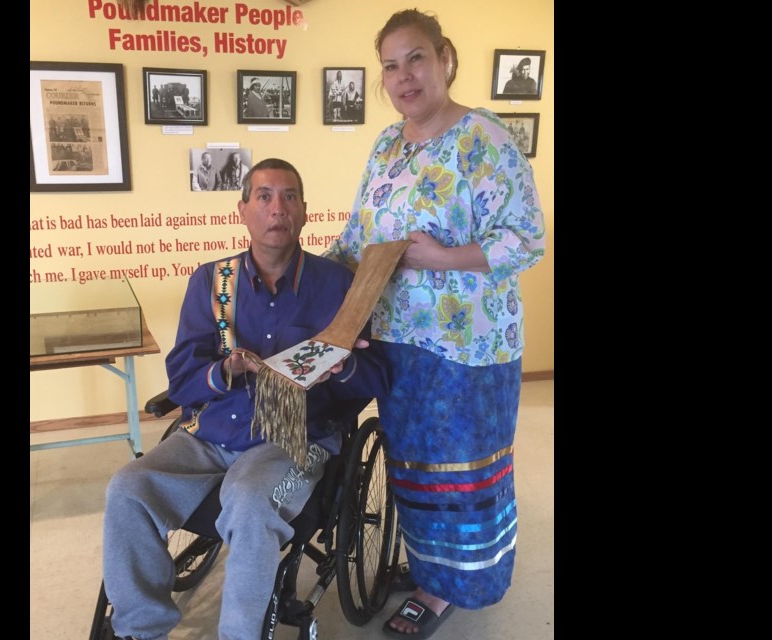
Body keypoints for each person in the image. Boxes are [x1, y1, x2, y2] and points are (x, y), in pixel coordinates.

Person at [324, 9, 546, 639]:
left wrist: (445, 258)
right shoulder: (387, 146)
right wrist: (316, 288)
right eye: (390, 65)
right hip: (396, 341)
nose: (403, 76)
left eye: (415, 58)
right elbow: (359, 237)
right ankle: (426, 569)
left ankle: (450, 589)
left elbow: (527, 240)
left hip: (467, 346)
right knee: (413, 467)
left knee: (461, 473)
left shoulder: (486, 139)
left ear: (445, 57)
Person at [103, 158, 391, 640]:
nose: (277, 207)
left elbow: (378, 374)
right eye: (264, 196)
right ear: (243, 210)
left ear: (304, 213)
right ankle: (141, 628)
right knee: (127, 488)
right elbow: (181, 377)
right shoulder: (212, 283)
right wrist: (224, 370)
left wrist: (345, 368)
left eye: (289, 197)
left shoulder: (339, 285)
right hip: (214, 429)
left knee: (249, 500)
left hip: (291, 434)